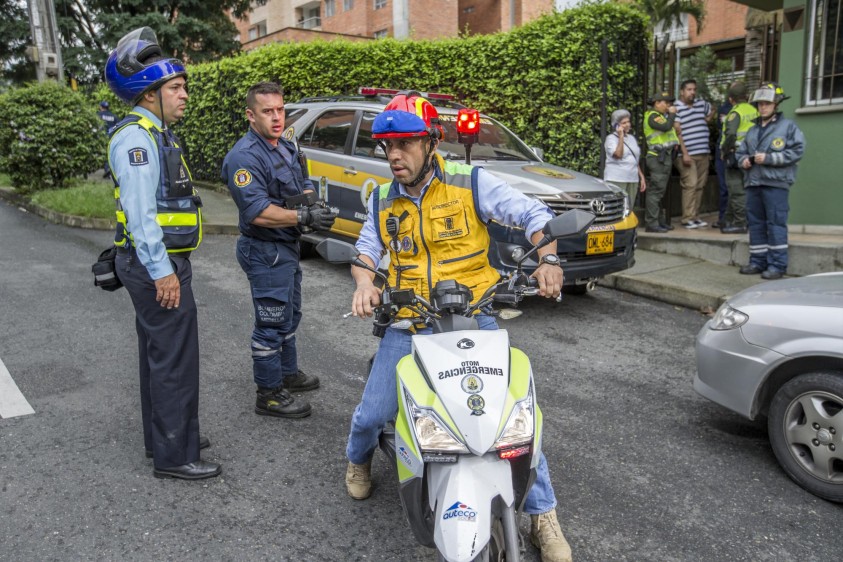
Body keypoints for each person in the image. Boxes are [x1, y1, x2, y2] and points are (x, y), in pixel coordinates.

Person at [343, 92, 573, 562]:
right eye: (386, 146)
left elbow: (531, 215)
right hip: (409, 322)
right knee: (372, 414)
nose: (394, 155)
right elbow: (365, 252)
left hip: (476, 315)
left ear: (431, 143)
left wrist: (547, 259)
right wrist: (365, 283)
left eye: (405, 144)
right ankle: (358, 458)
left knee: (512, 422)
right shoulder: (382, 199)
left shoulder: (472, 182)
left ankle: (542, 515)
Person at [105, 27, 220, 480]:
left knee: (161, 352)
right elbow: (140, 214)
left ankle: (168, 435)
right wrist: (162, 271)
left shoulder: (155, 133)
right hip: (157, 265)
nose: (184, 95)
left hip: (157, 263)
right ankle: (176, 455)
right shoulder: (137, 139)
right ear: (149, 95)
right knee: (174, 357)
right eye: (176, 88)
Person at [221, 82, 336, 419]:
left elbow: (302, 181)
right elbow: (256, 211)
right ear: (250, 115)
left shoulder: (283, 146)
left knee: (290, 314)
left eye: (280, 110)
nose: (276, 117)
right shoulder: (243, 157)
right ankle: (269, 393)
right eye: (267, 111)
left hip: (286, 247)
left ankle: (287, 374)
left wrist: (314, 206)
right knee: (271, 322)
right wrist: (302, 216)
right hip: (264, 249)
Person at [736, 83, 805, 280]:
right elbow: (740, 153)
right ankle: (757, 261)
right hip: (753, 183)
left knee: (776, 223)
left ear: (776, 104)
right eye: (760, 104)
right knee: (756, 223)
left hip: (776, 184)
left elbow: (797, 151)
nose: (762, 107)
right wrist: (745, 161)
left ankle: (777, 265)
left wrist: (768, 159)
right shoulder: (752, 130)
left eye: (767, 103)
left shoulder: (788, 127)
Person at [674, 79, 716, 228]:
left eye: (694, 89)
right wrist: (684, 154)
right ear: (682, 91)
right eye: (689, 89)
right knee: (690, 185)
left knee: (700, 185)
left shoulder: (701, 104)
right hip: (688, 154)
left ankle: (695, 216)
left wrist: (707, 119)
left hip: (703, 153)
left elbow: (713, 108)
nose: (692, 92)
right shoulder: (676, 108)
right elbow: (677, 133)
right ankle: (687, 218)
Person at [718, 81, 758, 234]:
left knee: (736, 190)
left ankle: (740, 223)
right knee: (741, 189)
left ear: (731, 99)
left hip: (735, 155)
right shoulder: (755, 111)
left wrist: (724, 150)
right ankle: (728, 220)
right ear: (746, 97)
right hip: (751, 155)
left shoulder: (735, 113)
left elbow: (731, 134)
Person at [642, 92, 680, 233]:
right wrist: (672, 115)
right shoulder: (652, 116)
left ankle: (659, 221)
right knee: (655, 191)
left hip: (664, 158)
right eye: (666, 103)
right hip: (657, 158)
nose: (669, 106)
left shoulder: (660, 117)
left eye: (669, 103)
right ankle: (652, 223)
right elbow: (665, 127)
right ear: (657, 103)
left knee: (660, 191)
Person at [604, 108, 646, 216]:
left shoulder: (631, 138)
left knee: (629, 208)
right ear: (616, 125)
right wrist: (621, 136)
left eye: (628, 121)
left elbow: (635, 159)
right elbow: (618, 155)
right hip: (617, 178)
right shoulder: (611, 139)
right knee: (616, 208)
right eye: (624, 123)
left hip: (632, 178)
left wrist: (641, 177)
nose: (627, 124)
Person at [712, 97, 733, 228]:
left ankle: (726, 218)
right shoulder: (724, 109)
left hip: (730, 153)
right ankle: (724, 218)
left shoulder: (743, 110)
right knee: (727, 188)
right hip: (726, 153)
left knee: (728, 188)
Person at [97, 101, 117, 178]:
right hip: (111, 137)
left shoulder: (99, 115)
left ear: (101, 107)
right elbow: (118, 126)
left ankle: (107, 170)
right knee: (110, 154)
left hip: (102, 138)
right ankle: (109, 169)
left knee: (104, 154)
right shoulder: (114, 116)